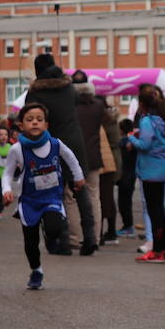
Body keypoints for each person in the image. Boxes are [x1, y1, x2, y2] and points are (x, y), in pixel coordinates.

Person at [1, 103, 85, 290]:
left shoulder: (55, 144)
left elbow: (71, 158)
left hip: (52, 197)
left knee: (54, 228)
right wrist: (6, 190)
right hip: (29, 201)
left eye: (39, 119)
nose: (35, 123)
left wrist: (78, 177)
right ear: (21, 126)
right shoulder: (17, 150)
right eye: (30, 120)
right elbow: (7, 173)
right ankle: (36, 270)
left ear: (46, 125)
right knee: (31, 243)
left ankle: (50, 234)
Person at [26, 53, 97, 256]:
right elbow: (76, 101)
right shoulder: (68, 86)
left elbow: (31, 116)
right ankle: (90, 238)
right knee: (80, 189)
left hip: (50, 145)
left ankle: (62, 242)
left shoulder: (35, 92)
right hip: (75, 142)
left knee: (55, 192)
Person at [127, 83, 165, 263]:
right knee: (160, 211)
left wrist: (131, 137)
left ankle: (157, 250)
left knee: (154, 212)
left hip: (149, 169)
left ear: (142, 103)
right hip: (162, 167)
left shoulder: (147, 121)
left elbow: (145, 145)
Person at [71, 70, 104, 247]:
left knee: (70, 197)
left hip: (73, 158)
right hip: (93, 157)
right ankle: (96, 237)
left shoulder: (70, 108)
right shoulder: (99, 106)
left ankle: (76, 238)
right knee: (93, 196)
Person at [96, 95, 123, 245]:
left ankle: (103, 232)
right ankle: (109, 231)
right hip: (112, 161)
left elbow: (111, 141)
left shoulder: (105, 120)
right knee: (107, 197)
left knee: (102, 198)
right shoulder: (111, 119)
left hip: (106, 162)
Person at [116, 119, 137, 237]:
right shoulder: (132, 141)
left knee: (124, 203)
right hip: (130, 175)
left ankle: (128, 226)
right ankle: (127, 226)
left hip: (126, 176)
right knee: (125, 202)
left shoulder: (124, 142)